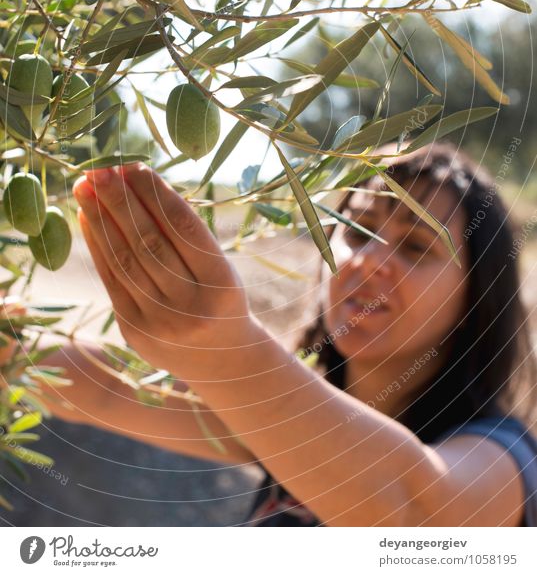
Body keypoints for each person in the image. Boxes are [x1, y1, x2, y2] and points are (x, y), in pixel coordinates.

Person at [1, 141, 537, 526]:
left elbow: (413, 509)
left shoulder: (506, 459)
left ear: (478, 299)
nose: (369, 261)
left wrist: (226, 350)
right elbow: (107, 389)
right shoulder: (284, 421)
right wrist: (13, 354)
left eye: (416, 246)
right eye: (357, 231)